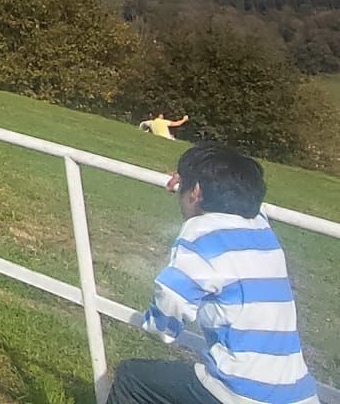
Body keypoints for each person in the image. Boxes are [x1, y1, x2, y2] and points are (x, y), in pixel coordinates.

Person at [109, 143, 318, 404]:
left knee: (132, 377)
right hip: (299, 394)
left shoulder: (201, 232)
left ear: (195, 192)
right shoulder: (258, 225)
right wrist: (192, 178)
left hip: (241, 391)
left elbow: (172, 295)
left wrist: (159, 326)